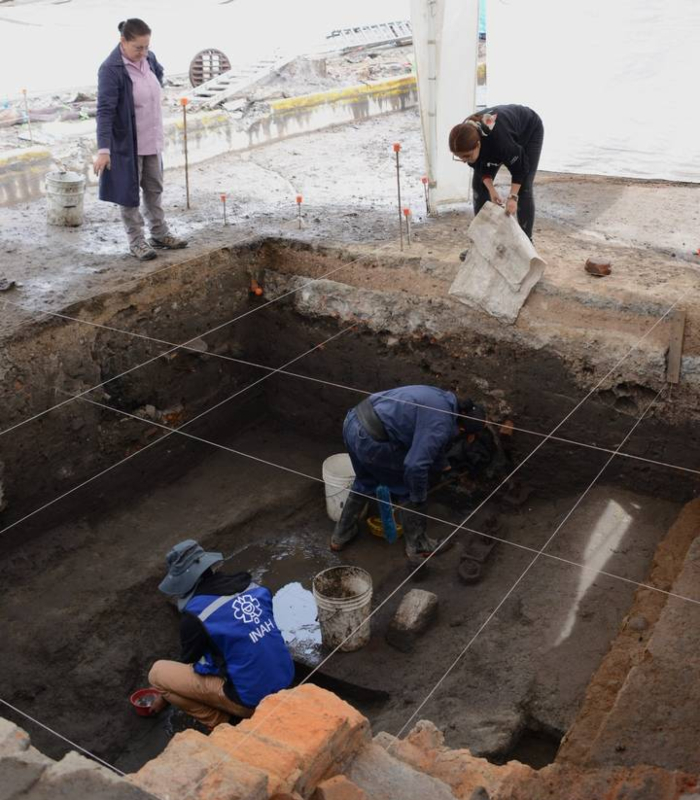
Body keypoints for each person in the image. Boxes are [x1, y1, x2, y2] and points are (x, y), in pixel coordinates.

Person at [147, 539, 294, 729]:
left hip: (251, 701)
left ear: (182, 582)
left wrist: (162, 696)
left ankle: (220, 723)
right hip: (285, 681)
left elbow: (190, 660)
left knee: (157, 674)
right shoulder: (254, 588)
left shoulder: (196, 616)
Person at [331, 385, 486, 564]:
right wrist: (418, 497)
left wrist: (443, 465)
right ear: (462, 429)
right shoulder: (441, 424)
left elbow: (426, 434)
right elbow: (415, 466)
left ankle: (340, 535)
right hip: (372, 441)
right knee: (406, 488)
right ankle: (418, 546)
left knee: (365, 480)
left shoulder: (440, 398)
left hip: (353, 421)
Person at [94, 18, 187, 261]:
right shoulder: (111, 69)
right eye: (138, 47)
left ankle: (159, 233)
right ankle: (137, 241)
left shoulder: (150, 59)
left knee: (154, 188)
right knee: (129, 193)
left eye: (146, 47)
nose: (143, 52)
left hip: (152, 139)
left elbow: (158, 76)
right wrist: (104, 149)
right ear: (122, 41)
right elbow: (104, 111)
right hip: (127, 144)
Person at [448, 105, 544, 240]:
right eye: (459, 157)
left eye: (467, 156)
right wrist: (492, 190)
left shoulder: (500, 141)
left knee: (524, 188)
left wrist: (513, 197)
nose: (464, 161)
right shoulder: (464, 136)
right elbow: (480, 167)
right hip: (497, 139)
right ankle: (482, 241)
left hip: (529, 129)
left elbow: (520, 168)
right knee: (479, 186)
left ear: (478, 145)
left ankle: (527, 244)